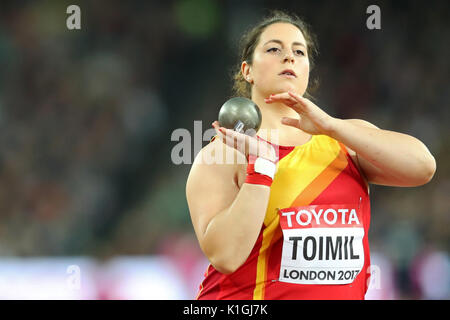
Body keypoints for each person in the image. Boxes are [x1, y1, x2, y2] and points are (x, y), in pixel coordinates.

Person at [185, 11, 436, 300]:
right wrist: (262, 167)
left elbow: (423, 167)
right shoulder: (224, 152)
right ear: (248, 70)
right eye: (274, 49)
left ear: (307, 69)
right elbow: (225, 256)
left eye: (299, 51)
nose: (289, 57)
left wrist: (330, 126)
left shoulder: (344, 140)